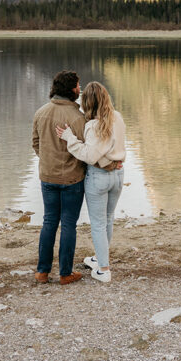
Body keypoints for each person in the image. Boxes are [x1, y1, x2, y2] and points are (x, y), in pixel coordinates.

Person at [56, 81, 126, 283]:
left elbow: (88, 155)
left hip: (98, 178)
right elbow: (114, 148)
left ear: (87, 103)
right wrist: (109, 163)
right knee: (108, 218)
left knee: (97, 224)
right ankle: (98, 258)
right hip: (118, 175)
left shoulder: (93, 125)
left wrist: (69, 137)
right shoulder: (118, 118)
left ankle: (103, 270)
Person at [32, 70, 87, 285]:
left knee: (49, 222)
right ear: (70, 89)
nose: (79, 89)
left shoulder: (41, 112)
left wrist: (48, 161)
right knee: (69, 225)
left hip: (47, 177)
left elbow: (35, 144)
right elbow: (84, 150)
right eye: (77, 86)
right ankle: (65, 273)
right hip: (72, 179)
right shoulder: (77, 117)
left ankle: (42, 272)